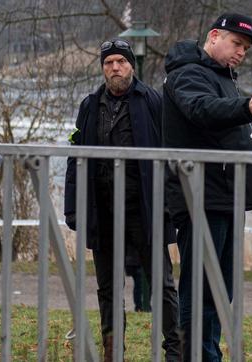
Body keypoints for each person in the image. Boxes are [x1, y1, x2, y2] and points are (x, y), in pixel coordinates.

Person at [162, 13, 252, 360]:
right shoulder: (188, 74)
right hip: (200, 197)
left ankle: (206, 354)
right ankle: (196, 356)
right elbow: (203, 110)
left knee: (219, 288)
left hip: (225, 195)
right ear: (214, 36)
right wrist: (245, 106)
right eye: (237, 44)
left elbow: (225, 124)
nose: (241, 52)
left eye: (245, 48)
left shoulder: (224, 78)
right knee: (201, 288)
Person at [63, 38, 181, 361]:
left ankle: (175, 352)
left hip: (144, 210)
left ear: (131, 65)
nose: (115, 68)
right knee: (109, 291)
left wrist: (170, 207)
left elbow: (169, 156)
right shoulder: (89, 106)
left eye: (121, 62)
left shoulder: (152, 101)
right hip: (102, 213)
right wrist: (73, 208)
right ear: (103, 68)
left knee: (163, 285)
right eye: (109, 63)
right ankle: (114, 353)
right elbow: (76, 158)